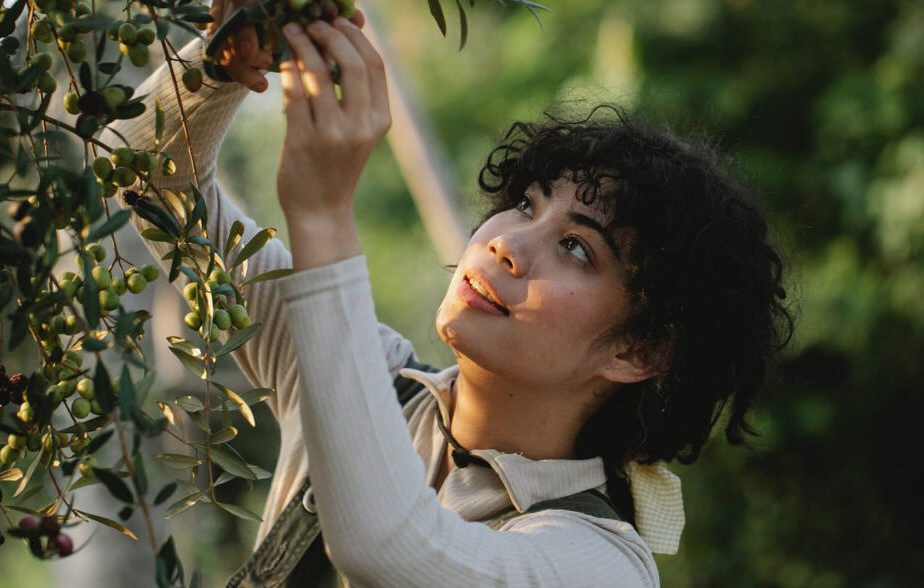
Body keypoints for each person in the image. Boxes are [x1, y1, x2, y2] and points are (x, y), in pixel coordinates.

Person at [109, 3, 792, 586]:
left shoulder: (596, 563)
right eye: (526, 205)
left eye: (577, 247)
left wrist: (322, 216)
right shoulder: (365, 382)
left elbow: (387, 548)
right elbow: (145, 178)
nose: (506, 242)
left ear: (637, 349)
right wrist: (220, 70)